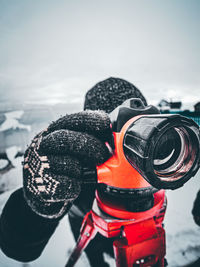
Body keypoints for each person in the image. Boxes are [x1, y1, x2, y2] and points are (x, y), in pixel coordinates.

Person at [0, 77, 147, 267]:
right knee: (96, 258)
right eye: (115, 133)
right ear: (94, 127)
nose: (125, 146)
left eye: (136, 129)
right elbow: (18, 247)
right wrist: (36, 206)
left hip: (140, 234)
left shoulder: (154, 160)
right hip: (87, 227)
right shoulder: (79, 165)